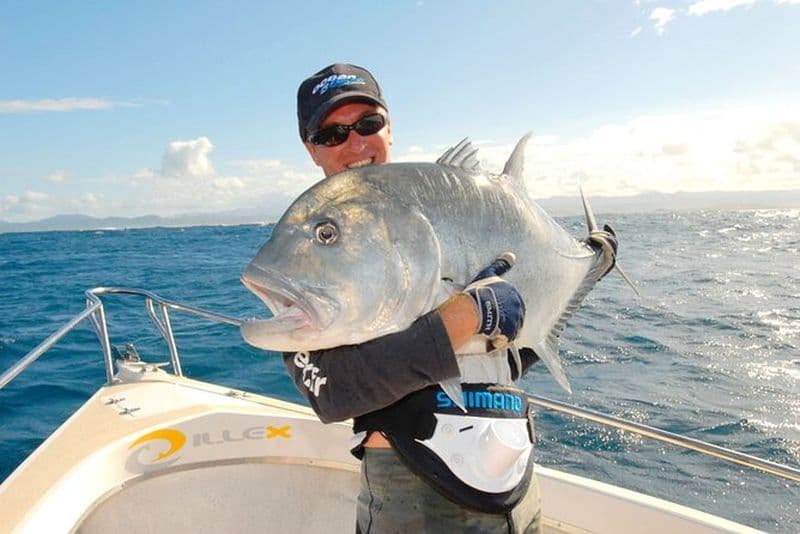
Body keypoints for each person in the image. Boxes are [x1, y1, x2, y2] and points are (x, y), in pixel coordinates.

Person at [285, 63, 542, 533]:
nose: (356, 143)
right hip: (414, 485)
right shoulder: (305, 250)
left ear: (390, 127)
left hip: (515, 475)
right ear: (311, 149)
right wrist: (466, 316)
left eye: (368, 124)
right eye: (331, 133)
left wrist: (587, 272)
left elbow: (513, 352)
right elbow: (332, 390)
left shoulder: (449, 206)